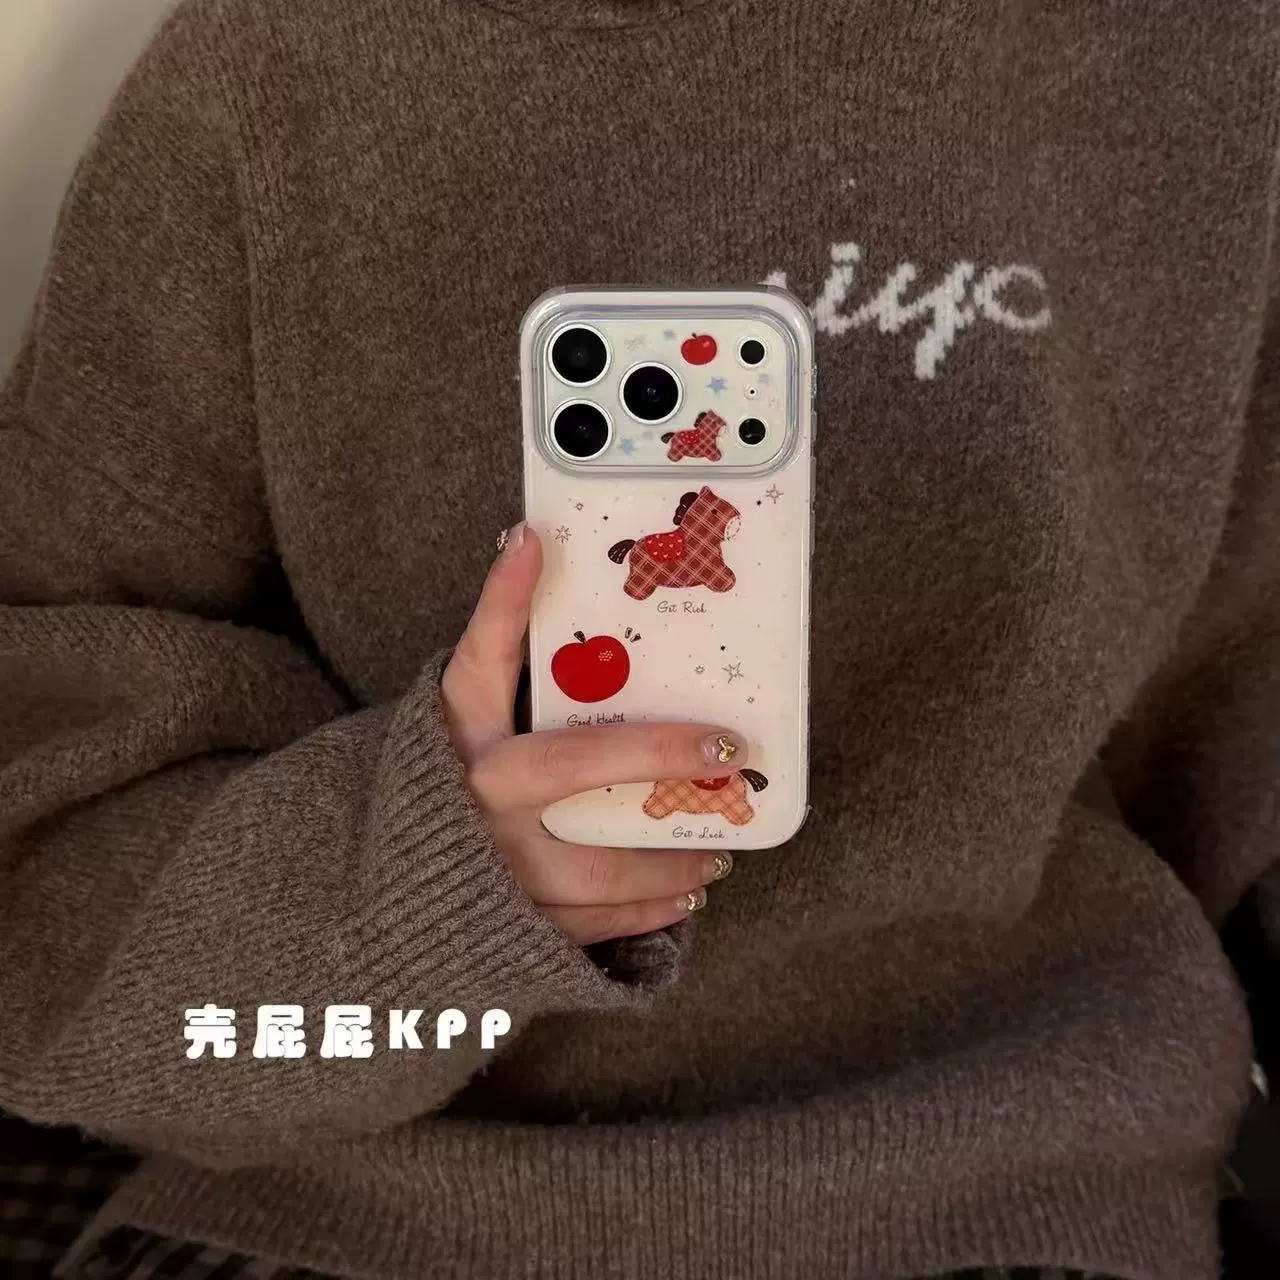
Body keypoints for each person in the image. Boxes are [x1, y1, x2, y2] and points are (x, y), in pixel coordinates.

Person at [0, 0, 1276, 1276]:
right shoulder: (270, 79)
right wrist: (406, 896)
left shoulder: (1207, 63)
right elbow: (40, 889)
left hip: (1026, 1172)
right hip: (356, 1200)